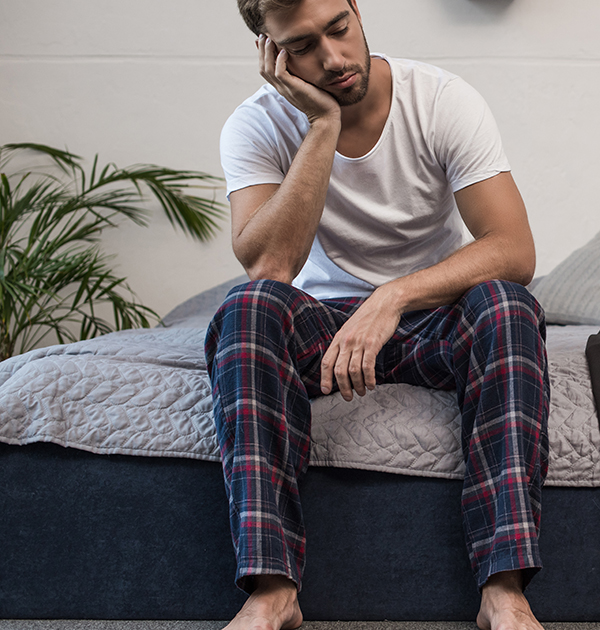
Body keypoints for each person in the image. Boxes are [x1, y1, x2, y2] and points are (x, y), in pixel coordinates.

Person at [206, 0, 549, 628]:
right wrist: (320, 127)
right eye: (302, 46)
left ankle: (504, 591)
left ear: (357, 9)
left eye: (339, 28)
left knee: (509, 304)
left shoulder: (440, 99)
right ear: (270, 53)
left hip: (431, 316)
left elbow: (513, 249)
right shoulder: (255, 125)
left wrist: (390, 297)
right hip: (325, 328)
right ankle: (272, 591)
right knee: (247, 308)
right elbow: (270, 268)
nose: (332, 57)